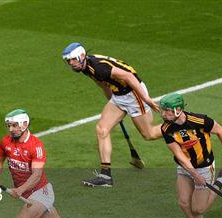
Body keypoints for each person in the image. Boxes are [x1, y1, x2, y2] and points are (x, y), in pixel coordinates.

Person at [0, 109, 111, 218]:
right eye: (9, 126)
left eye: (14, 125)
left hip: (41, 192)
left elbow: (37, 175)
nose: (11, 129)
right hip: (28, 192)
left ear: (25, 124)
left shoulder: (36, 146)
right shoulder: (6, 142)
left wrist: (20, 189)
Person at [62, 42, 162, 187]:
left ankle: (177, 128)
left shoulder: (99, 67)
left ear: (82, 55)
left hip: (134, 94)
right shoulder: (85, 67)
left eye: (73, 60)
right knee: (102, 129)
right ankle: (105, 176)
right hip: (118, 95)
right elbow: (102, 83)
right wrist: (111, 101)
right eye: (69, 61)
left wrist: (146, 99)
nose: (72, 64)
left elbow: (129, 76)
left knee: (149, 134)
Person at [159, 93, 222, 218]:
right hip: (186, 168)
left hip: (204, 166)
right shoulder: (166, 128)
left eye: (167, 110)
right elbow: (178, 154)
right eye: (162, 110)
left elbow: (220, 131)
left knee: (198, 209)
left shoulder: (200, 120)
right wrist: (194, 174)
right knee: (183, 203)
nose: (163, 114)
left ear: (177, 110)